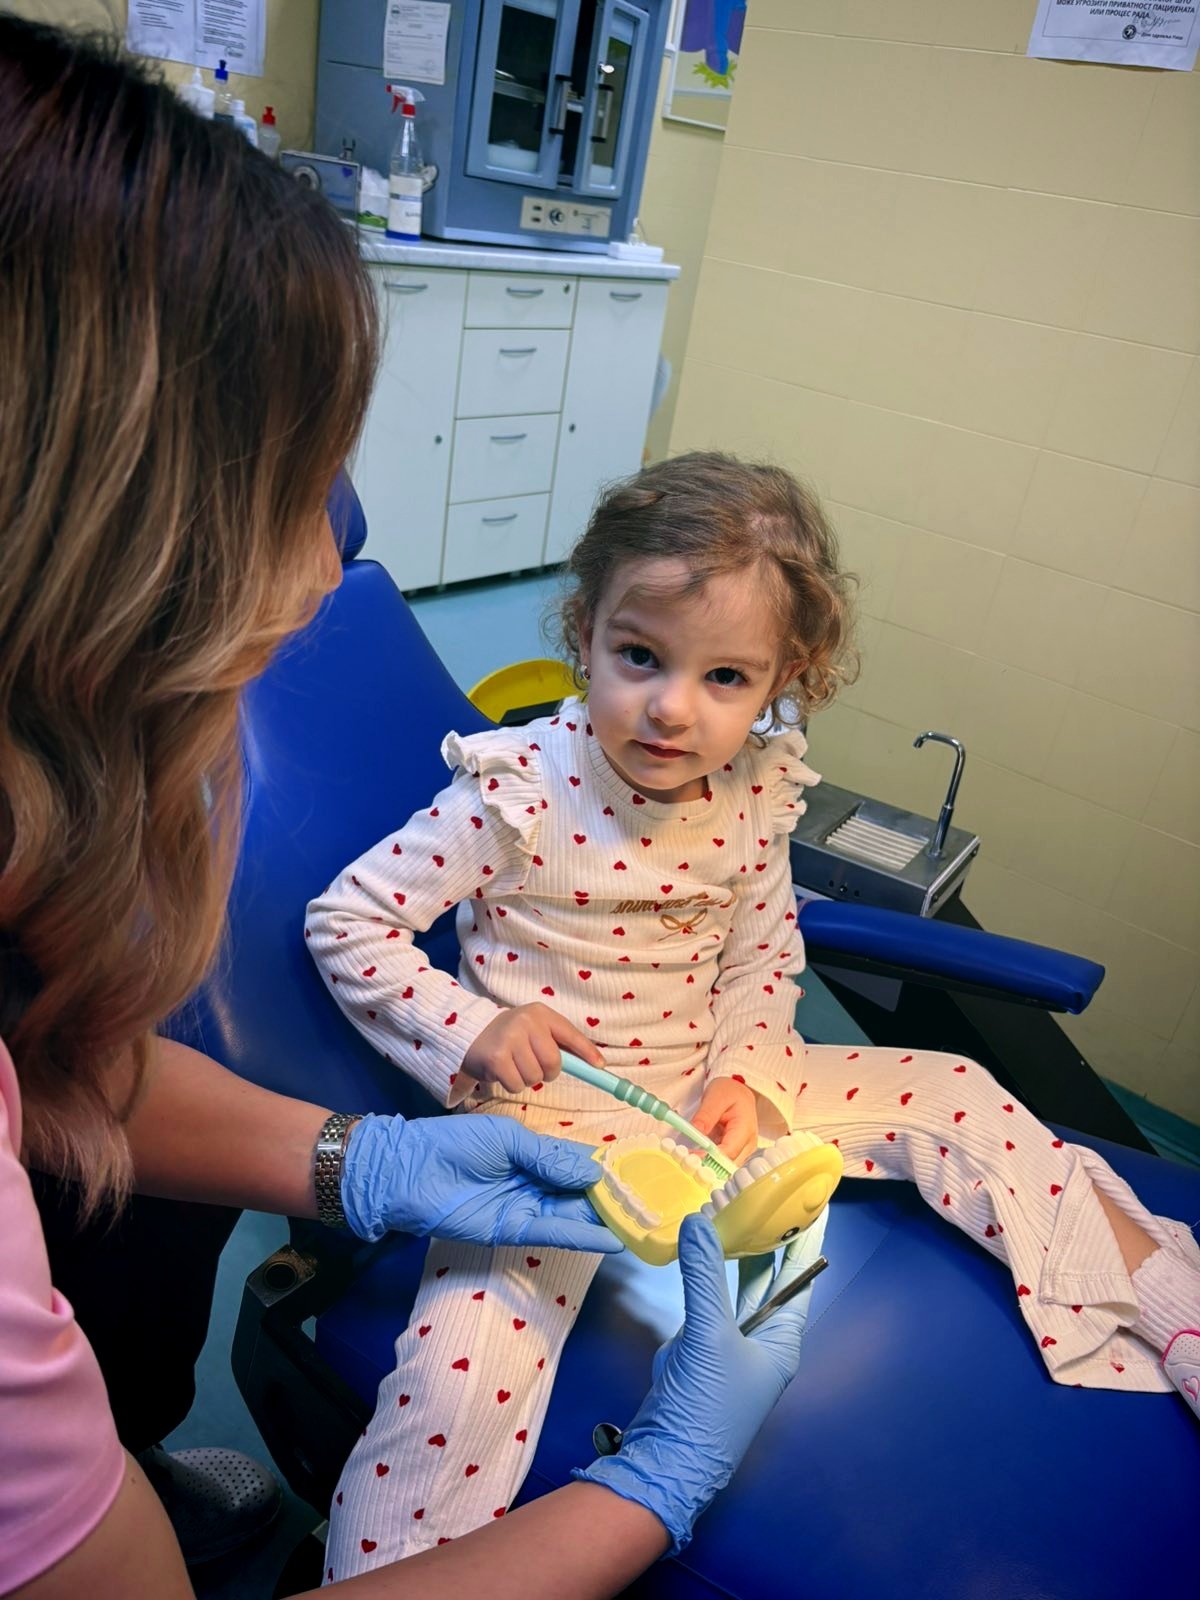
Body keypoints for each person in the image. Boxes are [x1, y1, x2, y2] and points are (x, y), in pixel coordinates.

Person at [0, 19, 826, 1600]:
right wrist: (658, 1478)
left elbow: (36, 1068)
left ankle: (128, 1451)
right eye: (288, 492)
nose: (333, 563)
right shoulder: (519, 788)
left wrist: (358, 1160)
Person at [308, 450, 1200, 1573]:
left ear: (787, 678)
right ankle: (384, 1575)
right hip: (549, 1129)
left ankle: (1168, 1303)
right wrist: (471, 1028)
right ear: (584, 632)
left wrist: (752, 1076)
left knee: (959, 1093)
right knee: (457, 1381)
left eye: (726, 677)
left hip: (713, 1095)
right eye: (639, 656)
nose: (672, 707)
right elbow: (349, 922)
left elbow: (763, 958)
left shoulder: (753, 793)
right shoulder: (518, 790)